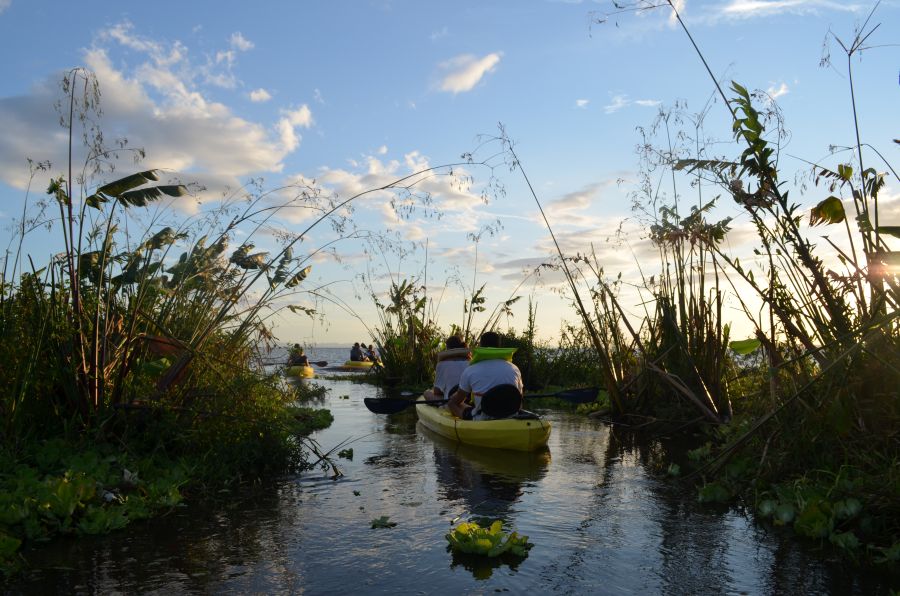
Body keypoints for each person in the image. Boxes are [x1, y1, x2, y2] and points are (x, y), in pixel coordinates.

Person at [449, 331, 523, 420]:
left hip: (482, 419)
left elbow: (458, 400)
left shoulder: (470, 370)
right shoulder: (514, 368)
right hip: (511, 417)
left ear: (481, 346)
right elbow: (519, 401)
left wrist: (452, 398)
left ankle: (464, 423)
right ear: (499, 347)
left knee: (451, 403)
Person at [424, 336, 470, 402]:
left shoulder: (441, 364)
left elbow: (437, 391)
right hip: (468, 400)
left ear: (448, 348)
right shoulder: (470, 363)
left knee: (426, 393)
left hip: (451, 401)